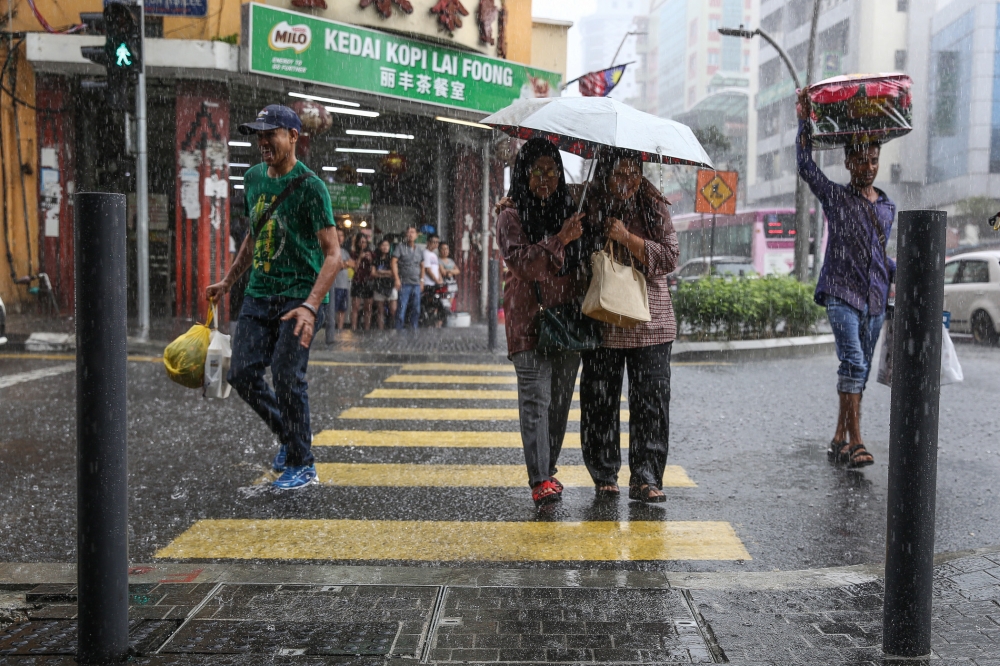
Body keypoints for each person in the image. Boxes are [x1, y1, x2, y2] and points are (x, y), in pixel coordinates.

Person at [206, 104, 341, 490]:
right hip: (259, 293)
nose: (262, 142)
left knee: (286, 376)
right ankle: (289, 435)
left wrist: (311, 306)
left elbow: (334, 255)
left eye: (271, 134)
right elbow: (255, 234)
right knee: (242, 373)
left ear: (294, 136)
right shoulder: (252, 180)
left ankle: (304, 463)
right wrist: (229, 281)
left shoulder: (310, 186)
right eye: (258, 135)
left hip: (299, 298)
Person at [797, 89, 895, 469]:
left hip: (873, 299)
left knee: (860, 370)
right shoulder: (836, 197)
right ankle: (856, 441)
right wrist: (804, 120)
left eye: (873, 160)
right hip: (841, 294)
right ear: (848, 161)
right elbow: (806, 166)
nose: (868, 166)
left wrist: (902, 274)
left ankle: (839, 435)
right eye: (861, 160)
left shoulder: (887, 207)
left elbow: (879, 256)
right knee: (854, 362)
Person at [579, 150, 679, 504]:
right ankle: (605, 473)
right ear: (604, 173)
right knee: (599, 401)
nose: (627, 180)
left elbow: (669, 256)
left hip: (651, 322)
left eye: (633, 173)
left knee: (651, 403)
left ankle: (646, 476)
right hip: (603, 318)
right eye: (619, 173)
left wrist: (626, 238)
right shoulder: (587, 200)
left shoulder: (653, 204)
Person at [497, 138, 587, 507]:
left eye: (553, 171)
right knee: (536, 399)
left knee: (560, 403)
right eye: (539, 171)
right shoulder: (510, 214)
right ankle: (539, 479)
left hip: (567, 321)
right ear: (524, 173)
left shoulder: (571, 206)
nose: (546, 179)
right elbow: (524, 264)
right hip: (530, 320)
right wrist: (561, 238)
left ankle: (546, 469)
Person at [392, 225, 424, 331]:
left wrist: (422, 280)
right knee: (402, 308)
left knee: (416, 308)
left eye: (413, 232)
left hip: (416, 284)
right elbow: (393, 262)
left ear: (416, 235)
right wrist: (396, 279)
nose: (410, 234)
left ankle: (414, 328)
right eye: (409, 232)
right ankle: (399, 329)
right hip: (404, 282)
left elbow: (422, 265)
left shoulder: (419, 249)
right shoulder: (400, 247)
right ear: (406, 234)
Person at [331, 228, 355, 331]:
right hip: (334, 285)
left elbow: (353, 264)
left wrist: (343, 264)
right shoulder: (330, 250)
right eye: (337, 235)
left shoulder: (344, 251)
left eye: (341, 235)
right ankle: (331, 329)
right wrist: (346, 264)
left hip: (345, 285)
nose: (339, 238)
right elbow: (335, 265)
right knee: (333, 309)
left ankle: (340, 330)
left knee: (342, 309)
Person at [371, 238, 397, 329]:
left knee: (393, 309)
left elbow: (394, 273)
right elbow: (373, 273)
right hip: (379, 286)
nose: (385, 247)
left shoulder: (392, 259)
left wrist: (381, 272)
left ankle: (392, 327)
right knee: (380, 310)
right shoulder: (376, 259)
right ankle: (380, 329)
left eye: (387, 245)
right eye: (383, 245)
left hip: (391, 286)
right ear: (379, 247)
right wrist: (387, 273)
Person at [350, 233, 374, 331]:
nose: (362, 244)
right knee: (355, 307)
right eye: (360, 242)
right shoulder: (353, 253)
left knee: (368, 308)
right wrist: (360, 257)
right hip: (357, 281)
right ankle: (354, 328)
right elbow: (354, 269)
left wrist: (371, 259)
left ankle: (367, 328)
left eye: (364, 242)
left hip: (368, 282)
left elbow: (374, 269)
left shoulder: (371, 253)